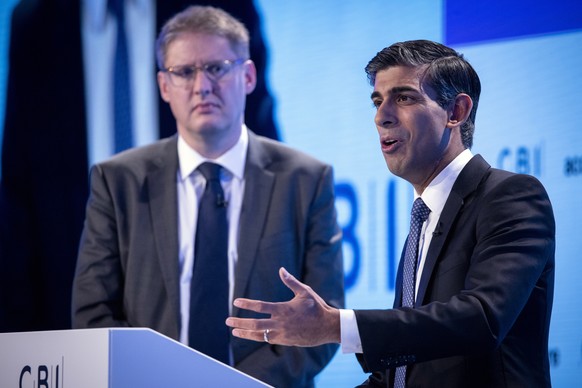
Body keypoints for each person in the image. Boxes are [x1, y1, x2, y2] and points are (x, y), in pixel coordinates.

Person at [226, 40, 555, 388]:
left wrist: (335, 326)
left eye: (404, 97)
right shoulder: (424, 217)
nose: (382, 115)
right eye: (378, 100)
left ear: (456, 112)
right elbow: (398, 376)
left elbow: (482, 319)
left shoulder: (509, 196)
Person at [71, 6, 344, 388]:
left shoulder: (306, 179)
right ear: (164, 86)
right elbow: (92, 313)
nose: (202, 86)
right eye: (184, 72)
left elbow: (324, 318)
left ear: (247, 76)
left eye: (217, 68)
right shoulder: (117, 181)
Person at [0, 0, 277, 333]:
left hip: (213, 327)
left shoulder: (223, 6)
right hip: (74, 335)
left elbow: (264, 170)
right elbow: (19, 195)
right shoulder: (35, 25)